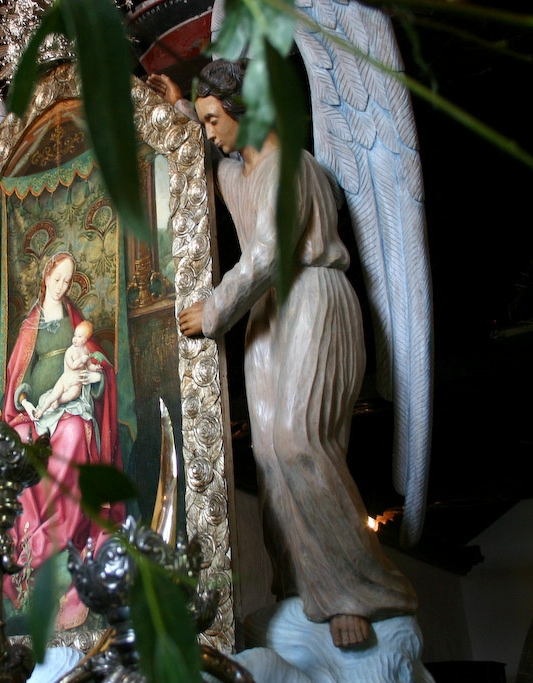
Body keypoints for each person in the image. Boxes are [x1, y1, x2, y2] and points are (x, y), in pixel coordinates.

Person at [169, 61, 417, 649]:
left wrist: (214, 308)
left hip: (311, 296)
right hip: (266, 314)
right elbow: (196, 163)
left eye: (213, 119)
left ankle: (359, 592)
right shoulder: (237, 173)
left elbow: (268, 251)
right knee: (267, 454)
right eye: (205, 122)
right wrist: (178, 110)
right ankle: (300, 588)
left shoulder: (293, 167)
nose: (209, 133)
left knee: (301, 443)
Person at [0, 251, 125, 629]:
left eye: (68, 281)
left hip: (70, 409)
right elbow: (20, 375)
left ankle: (58, 533)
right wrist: (24, 399)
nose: (61, 286)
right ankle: (28, 542)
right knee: (20, 439)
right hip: (36, 411)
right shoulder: (31, 325)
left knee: (71, 433)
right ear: (46, 275)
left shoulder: (76, 322)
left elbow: (98, 363)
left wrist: (95, 377)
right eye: (57, 278)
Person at [31, 320, 103, 422]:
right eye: (75, 335)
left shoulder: (86, 351)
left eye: (79, 337)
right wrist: (80, 360)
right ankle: (41, 410)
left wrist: (95, 368)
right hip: (65, 381)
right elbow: (72, 366)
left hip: (76, 384)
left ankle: (59, 402)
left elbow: (89, 365)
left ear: (85, 340)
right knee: (53, 396)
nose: (75, 339)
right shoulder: (70, 351)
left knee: (74, 394)